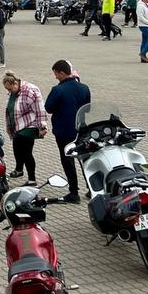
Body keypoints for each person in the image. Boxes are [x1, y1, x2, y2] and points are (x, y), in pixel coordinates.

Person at [44, 61, 90, 203]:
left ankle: (74, 193)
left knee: (68, 161)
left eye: (56, 74)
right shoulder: (84, 87)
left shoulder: (58, 90)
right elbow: (87, 109)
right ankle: (92, 189)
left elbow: (48, 108)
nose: (56, 77)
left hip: (63, 131)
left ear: (62, 73)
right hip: (81, 130)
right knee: (86, 160)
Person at [2, 72, 48, 184]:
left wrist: (42, 126)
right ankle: (19, 169)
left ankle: (32, 179)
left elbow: (40, 109)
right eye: (7, 90)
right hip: (18, 125)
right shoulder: (13, 91)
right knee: (16, 146)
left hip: (30, 124)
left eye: (10, 89)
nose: (9, 92)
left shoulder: (30, 90)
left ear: (15, 83)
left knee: (26, 152)